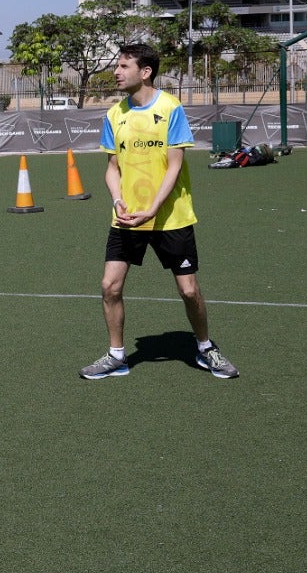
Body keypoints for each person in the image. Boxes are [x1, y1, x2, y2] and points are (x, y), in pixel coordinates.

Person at [80, 43, 239, 381]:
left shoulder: (171, 108)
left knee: (189, 290)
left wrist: (152, 209)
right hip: (127, 219)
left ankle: (205, 347)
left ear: (145, 71)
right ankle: (116, 355)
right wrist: (117, 199)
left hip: (171, 218)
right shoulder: (114, 114)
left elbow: (175, 166)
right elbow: (112, 167)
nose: (117, 72)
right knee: (109, 286)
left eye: (124, 66)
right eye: (117, 66)